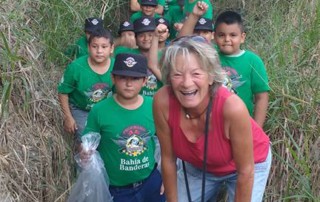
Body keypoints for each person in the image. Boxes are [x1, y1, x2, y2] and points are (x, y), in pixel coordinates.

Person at [153, 38, 272, 201]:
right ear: (169, 78)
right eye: (177, 74)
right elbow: (168, 158)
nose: (187, 83)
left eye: (196, 73)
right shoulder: (163, 101)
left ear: (211, 77)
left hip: (248, 165)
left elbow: (246, 172)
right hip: (200, 165)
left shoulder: (232, 108)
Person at [82, 53, 165, 202]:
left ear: (145, 81)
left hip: (151, 182)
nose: (129, 84)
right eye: (123, 78)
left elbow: (167, 143)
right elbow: (88, 141)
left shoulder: (154, 105)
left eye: (135, 78)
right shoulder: (99, 111)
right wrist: (84, 151)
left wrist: (166, 176)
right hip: (118, 190)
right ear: (113, 78)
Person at [58, 28, 115, 148]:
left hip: (107, 109)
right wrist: (68, 117)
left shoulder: (116, 67)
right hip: (82, 109)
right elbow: (63, 92)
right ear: (88, 47)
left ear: (111, 48)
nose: (99, 51)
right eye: (95, 46)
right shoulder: (76, 67)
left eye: (104, 47)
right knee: (85, 144)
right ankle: (85, 164)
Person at [214, 10, 270, 127]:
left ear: (242, 37)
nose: (227, 39)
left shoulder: (253, 61)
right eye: (221, 35)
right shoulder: (210, 57)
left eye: (233, 35)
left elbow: (261, 97)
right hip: (213, 124)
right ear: (214, 36)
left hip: (242, 125)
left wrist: (257, 128)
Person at [114, 16, 163, 97]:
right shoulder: (127, 54)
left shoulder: (163, 55)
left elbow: (169, 83)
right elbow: (108, 49)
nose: (146, 38)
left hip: (158, 99)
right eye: (141, 36)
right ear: (135, 38)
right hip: (134, 100)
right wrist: (121, 39)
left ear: (156, 37)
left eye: (150, 35)